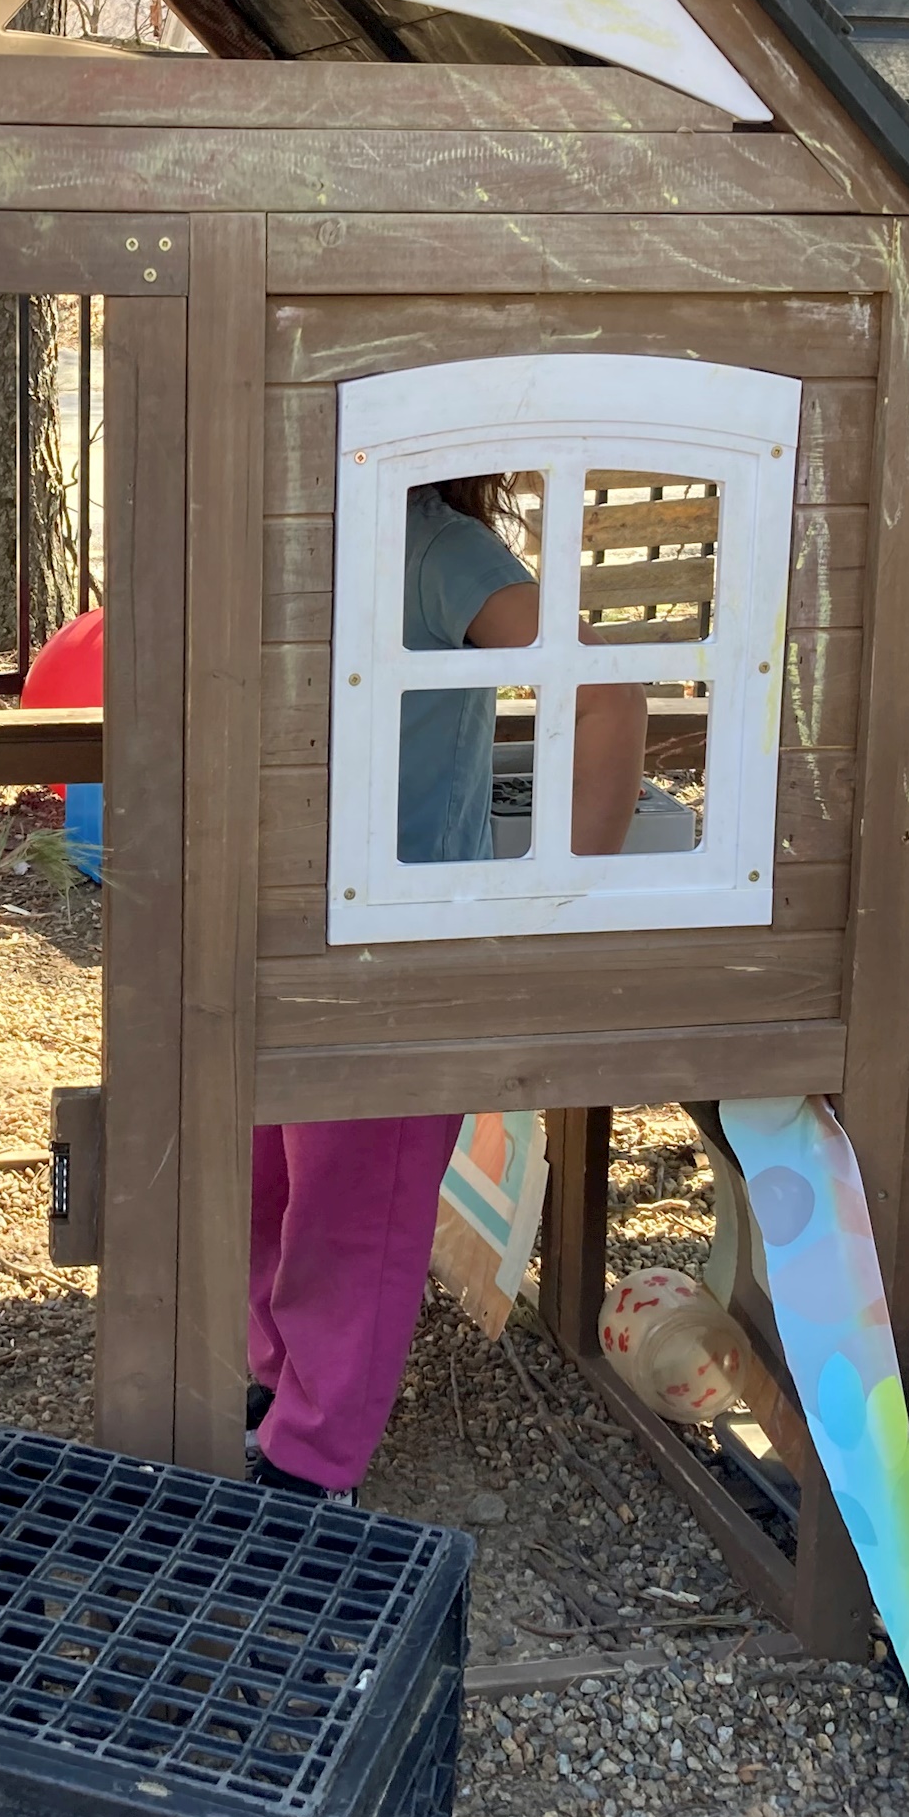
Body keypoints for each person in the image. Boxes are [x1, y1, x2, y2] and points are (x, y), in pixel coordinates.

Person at [247, 474, 649, 1502]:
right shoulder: (269, 524)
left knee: (354, 1202)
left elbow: (603, 691)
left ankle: (310, 1460)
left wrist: (565, 897)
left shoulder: (428, 544)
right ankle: (278, 1389)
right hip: (275, 926)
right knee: (268, 1178)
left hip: (403, 947)